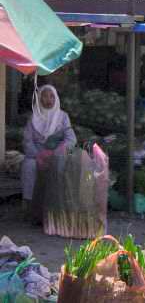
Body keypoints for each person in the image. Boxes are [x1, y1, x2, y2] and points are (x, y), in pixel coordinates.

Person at [22, 85, 77, 216]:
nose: (48, 99)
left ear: (56, 98)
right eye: (45, 96)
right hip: (37, 153)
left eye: (52, 96)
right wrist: (38, 154)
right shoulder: (33, 117)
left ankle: (56, 206)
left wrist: (57, 152)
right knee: (28, 165)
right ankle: (29, 204)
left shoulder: (63, 117)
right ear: (39, 98)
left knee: (60, 165)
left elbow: (71, 139)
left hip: (57, 153)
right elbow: (27, 140)